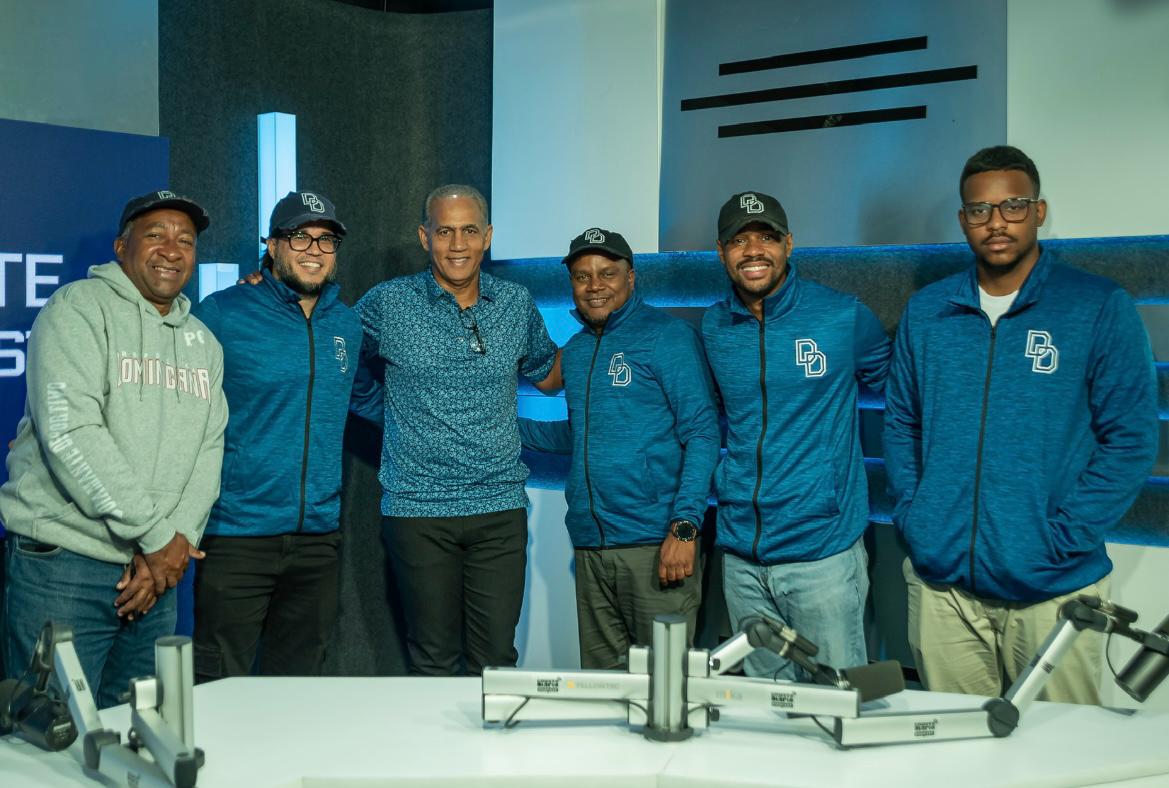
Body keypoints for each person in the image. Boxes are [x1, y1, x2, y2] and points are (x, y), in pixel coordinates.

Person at [883, 145, 1158, 704]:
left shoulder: (1095, 306)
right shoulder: (929, 311)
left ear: (1039, 211)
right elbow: (902, 421)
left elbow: (1130, 439)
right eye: (979, 210)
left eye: (1012, 206)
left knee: (1058, 744)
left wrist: (1064, 538)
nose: (996, 222)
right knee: (957, 744)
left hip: (1054, 590)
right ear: (963, 219)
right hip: (942, 590)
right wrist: (918, 516)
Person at [0, 191, 226, 707]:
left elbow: (209, 449)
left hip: (156, 574)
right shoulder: (76, 309)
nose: (172, 250)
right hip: (66, 566)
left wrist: (175, 543)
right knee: (49, 730)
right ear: (122, 247)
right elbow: (71, 434)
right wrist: (157, 538)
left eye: (185, 240)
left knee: (138, 730)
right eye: (155, 235)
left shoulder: (204, 343)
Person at [356, 184, 561, 676]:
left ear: (487, 237)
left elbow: (549, 376)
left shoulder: (514, 302)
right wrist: (386, 411)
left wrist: (606, 325)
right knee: (434, 661)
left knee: (496, 664)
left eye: (469, 231)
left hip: (499, 508)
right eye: (444, 231)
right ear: (424, 237)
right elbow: (332, 347)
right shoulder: (389, 302)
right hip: (417, 509)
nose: (457, 245)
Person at [191, 191, 381, 681]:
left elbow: (365, 398)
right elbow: (174, 401)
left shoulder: (346, 323)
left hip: (317, 542)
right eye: (300, 237)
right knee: (217, 686)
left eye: (326, 240)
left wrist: (444, 420)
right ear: (273, 245)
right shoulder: (223, 313)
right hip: (236, 535)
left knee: (298, 690)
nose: (314, 250)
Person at [701, 191, 890, 680]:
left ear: (788, 243)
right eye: (738, 241)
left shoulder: (841, 316)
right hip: (742, 558)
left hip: (822, 553)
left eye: (766, 237)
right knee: (765, 709)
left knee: (837, 703)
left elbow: (905, 397)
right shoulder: (715, 327)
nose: (753, 251)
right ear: (721, 252)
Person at [519, 228, 719, 669]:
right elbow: (581, 435)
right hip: (591, 547)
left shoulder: (668, 337)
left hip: (656, 545)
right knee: (604, 690)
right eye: (582, 276)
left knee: (667, 684)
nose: (595, 286)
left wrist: (685, 528)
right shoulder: (575, 350)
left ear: (631, 277)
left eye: (607, 273)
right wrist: (502, 430)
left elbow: (702, 434)